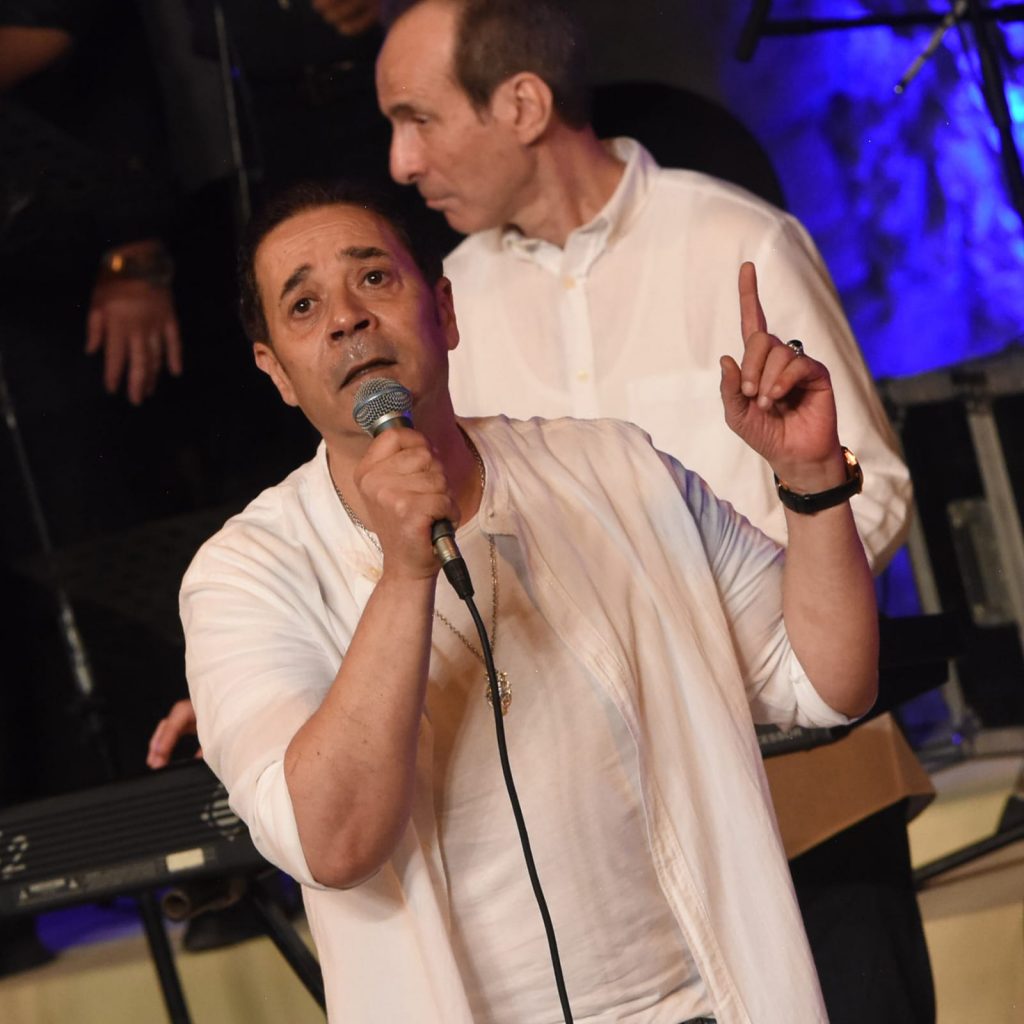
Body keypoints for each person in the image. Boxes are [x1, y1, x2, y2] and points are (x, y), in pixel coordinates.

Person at [180, 179, 878, 1023]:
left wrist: (812, 479)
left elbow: (827, 681)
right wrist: (406, 574)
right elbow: (335, 844)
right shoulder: (243, 576)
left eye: (374, 278)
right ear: (277, 373)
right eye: (303, 305)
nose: (346, 319)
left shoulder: (615, 468)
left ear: (444, 310)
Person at [374, 3, 932, 1022]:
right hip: (614, 832)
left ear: (523, 105)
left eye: (419, 120)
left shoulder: (732, 239)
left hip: (807, 772)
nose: (401, 162)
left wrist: (735, 620)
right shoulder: (451, 300)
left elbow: (878, 486)